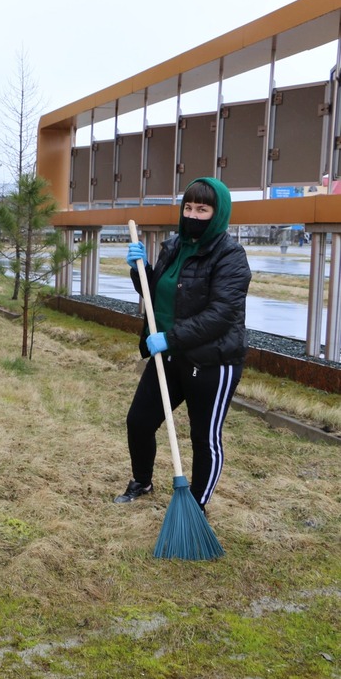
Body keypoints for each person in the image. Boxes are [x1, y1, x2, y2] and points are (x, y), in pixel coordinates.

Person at [116, 177, 251, 513]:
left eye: (202, 209)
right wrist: (141, 269)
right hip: (170, 356)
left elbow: (220, 314)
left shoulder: (230, 256)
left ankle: (196, 505)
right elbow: (157, 292)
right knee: (140, 421)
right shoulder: (174, 246)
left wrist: (170, 337)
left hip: (212, 362)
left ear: (217, 214)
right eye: (188, 207)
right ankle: (142, 481)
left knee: (204, 438)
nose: (193, 214)